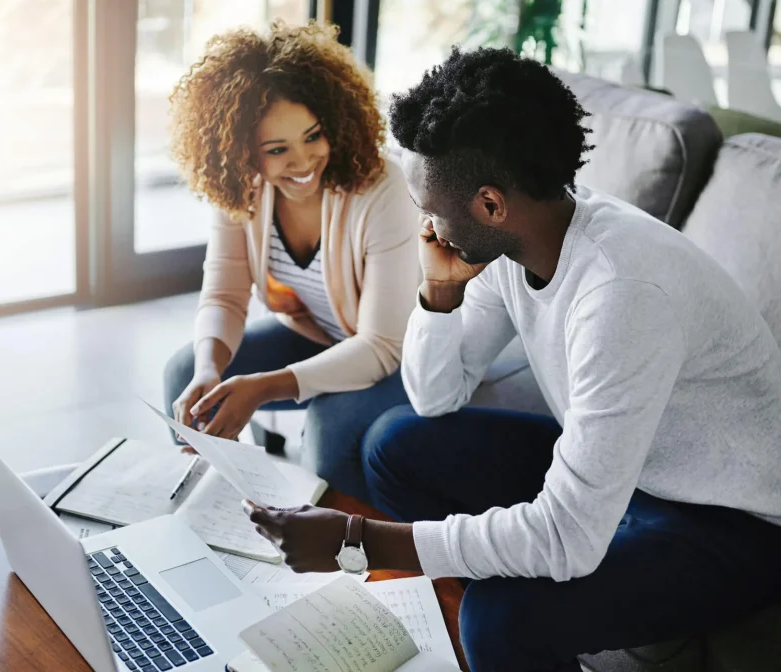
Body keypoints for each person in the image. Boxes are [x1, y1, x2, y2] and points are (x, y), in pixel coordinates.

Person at [243, 47, 781, 671]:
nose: (422, 223)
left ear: (491, 205)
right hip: (632, 475)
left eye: (428, 207)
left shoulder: (621, 294)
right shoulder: (519, 238)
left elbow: (568, 537)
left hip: (730, 523)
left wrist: (359, 541)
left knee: (501, 616)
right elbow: (434, 396)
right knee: (396, 442)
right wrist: (438, 296)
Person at [162, 21, 420, 500]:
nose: (302, 162)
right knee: (185, 374)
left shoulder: (382, 187)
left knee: (329, 425)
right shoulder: (242, 188)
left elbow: (383, 345)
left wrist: (262, 387)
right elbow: (224, 294)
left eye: (313, 136)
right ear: (242, 153)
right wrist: (207, 370)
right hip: (323, 337)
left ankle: (336, 559)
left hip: (403, 358)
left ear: (336, 121)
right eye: (277, 149)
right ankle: (213, 516)